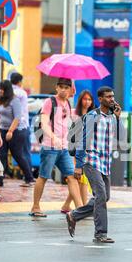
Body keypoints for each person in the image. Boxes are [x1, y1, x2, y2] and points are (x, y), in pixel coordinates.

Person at [65, 86, 126, 243]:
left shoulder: (112, 117)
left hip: (105, 162)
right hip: (90, 160)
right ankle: (100, 233)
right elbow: (82, 141)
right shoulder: (92, 116)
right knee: (101, 195)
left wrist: (119, 118)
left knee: (105, 197)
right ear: (100, 99)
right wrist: (78, 165)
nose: (112, 99)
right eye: (108, 97)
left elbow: (121, 138)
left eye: (112, 96)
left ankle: (74, 215)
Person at [29, 78, 82, 217]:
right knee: (43, 176)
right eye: (61, 87)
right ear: (57, 88)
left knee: (72, 177)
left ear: (70, 90)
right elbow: (44, 124)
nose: (64, 90)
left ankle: (80, 209)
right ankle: (35, 207)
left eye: (67, 87)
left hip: (64, 148)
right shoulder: (49, 102)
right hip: (50, 147)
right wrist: (53, 137)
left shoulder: (68, 104)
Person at [61, 89, 95, 213]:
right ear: (80, 100)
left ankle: (66, 205)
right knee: (80, 179)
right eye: (85, 99)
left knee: (81, 179)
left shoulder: (93, 115)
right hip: (75, 150)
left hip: (87, 150)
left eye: (89, 99)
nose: (87, 102)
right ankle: (83, 206)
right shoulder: (74, 114)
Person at [0, 80, 35, 187]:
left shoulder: (15, 100)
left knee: (17, 154)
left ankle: (29, 178)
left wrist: (10, 131)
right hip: (3, 129)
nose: (0, 91)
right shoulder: (0, 100)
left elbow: (17, 118)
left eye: (2, 89)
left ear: (7, 90)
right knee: (1, 154)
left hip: (16, 131)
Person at [10, 72, 32, 176]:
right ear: (19, 82)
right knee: (25, 152)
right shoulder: (22, 93)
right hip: (23, 126)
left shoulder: (8, 92)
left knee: (15, 152)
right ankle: (28, 176)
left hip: (10, 126)